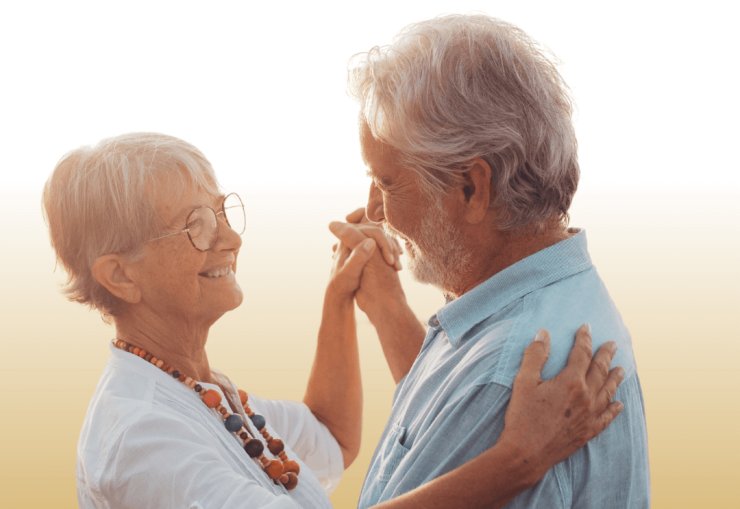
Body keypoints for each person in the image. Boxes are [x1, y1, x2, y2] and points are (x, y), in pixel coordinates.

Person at [44, 132, 623, 509]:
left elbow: (330, 439)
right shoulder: (140, 436)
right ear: (120, 276)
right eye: (195, 224)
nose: (231, 237)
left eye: (223, 211)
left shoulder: (198, 390)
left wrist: (343, 297)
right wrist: (518, 458)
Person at [329, 14, 650, 508]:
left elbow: (474, 397)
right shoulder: (548, 298)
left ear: (472, 188)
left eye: (388, 183)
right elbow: (447, 411)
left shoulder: (509, 376)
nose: (373, 211)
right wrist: (387, 308)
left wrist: (516, 460)